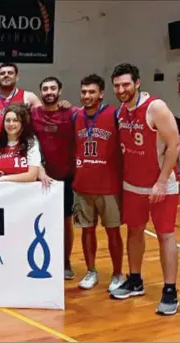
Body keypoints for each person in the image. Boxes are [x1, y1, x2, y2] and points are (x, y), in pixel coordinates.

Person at [109, 63, 179, 316]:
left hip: (161, 185)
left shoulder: (156, 107)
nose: (121, 89)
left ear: (137, 83)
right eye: (117, 86)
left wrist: (161, 181)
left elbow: (174, 145)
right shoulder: (121, 110)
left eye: (126, 84)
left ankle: (170, 289)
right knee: (135, 231)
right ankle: (135, 279)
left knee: (165, 236)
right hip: (133, 184)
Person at [71, 74, 125, 292]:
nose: (87, 96)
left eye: (92, 92)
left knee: (113, 231)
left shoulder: (115, 115)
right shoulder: (76, 116)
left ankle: (118, 273)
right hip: (83, 184)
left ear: (101, 94)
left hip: (109, 185)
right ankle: (91, 270)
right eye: (84, 92)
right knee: (87, 230)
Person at [31, 76, 77, 280]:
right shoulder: (33, 114)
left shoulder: (71, 113)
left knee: (66, 221)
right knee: (39, 221)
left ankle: (65, 262)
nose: (49, 92)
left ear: (60, 91)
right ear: (40, 92)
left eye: (53, 88)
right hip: (40, 178)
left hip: (65, 177)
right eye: (45, 89)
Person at [0, 103, 41, 182]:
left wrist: (5, 178)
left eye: (15, 120)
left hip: (26, 193)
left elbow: (32, 175)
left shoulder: (31, 144)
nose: (11, 124)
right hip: (1, 192)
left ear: (22, 123)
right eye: (8, 120)